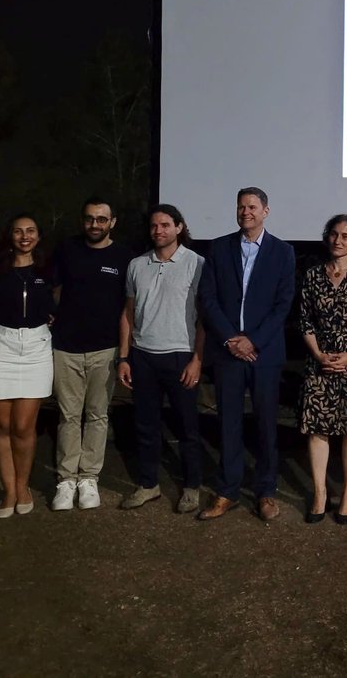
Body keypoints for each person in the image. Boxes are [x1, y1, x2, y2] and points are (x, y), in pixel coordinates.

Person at [197, 187, 296, 522]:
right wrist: (230, 340)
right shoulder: (219, 248)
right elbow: (207, 299)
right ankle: (227, 491)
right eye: (241, 207)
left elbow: (284, 304)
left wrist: (252, 341)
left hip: (264, 354)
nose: (245, 212)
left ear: (266, 211)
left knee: (267, 426)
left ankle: (266, 491)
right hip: (228, 353)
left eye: (252, 207)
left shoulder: (283, 252)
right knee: (228, 424)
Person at [117, 204, 206, 513]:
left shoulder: (197, 264)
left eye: (166, 225)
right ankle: (148, 485)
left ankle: (192, 487)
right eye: (154, 226)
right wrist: (124, 357)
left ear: (179, 227)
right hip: (143, 356)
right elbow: (127, 314)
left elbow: (203, 319)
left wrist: (197, 359)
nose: (159, 231)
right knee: (145, 426)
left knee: (187, 428)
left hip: (180, 355)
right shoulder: (136, 265)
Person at [49, 197, 133, 511]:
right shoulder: (67, 249)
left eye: (101, 219)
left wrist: (124, 353)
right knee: (69, 416)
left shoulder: (125, 257)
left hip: (105, 349)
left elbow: (128, 306)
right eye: (89, 219)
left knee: (97, 416)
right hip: (66, 348)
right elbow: (54, 290)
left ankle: (89, 479)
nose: (94, 225)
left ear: (112, 222)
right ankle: (66, 479)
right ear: (82, 221)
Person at [298, 214, 347, 524]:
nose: (338, 240)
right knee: (318, 430)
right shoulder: (313, 275)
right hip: (319, 364)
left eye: (345, 236)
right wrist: (319, 355)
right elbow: (304, 319)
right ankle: (319, 493)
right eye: (333, 234)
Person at [0, 214, 54, 518]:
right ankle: (9, 490)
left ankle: (23, 486)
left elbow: (61, 303)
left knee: (24, 426)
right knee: (2, 425)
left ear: (38, 237)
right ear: (10, 236)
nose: (24, 236)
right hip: (0, 346)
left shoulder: (48, 270)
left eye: (30, 231)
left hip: (36, 348)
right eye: (18, 231)